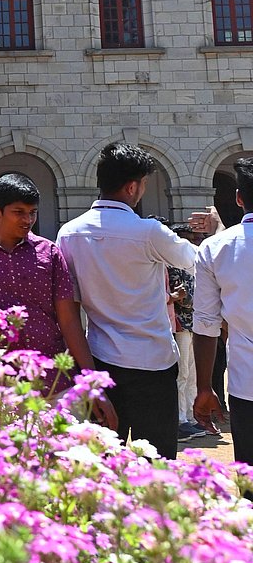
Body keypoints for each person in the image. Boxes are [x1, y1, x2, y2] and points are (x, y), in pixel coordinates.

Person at [56, 143, 204, 460]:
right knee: (156, 463)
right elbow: (194, 260)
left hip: (101, 359)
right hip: (153, 362)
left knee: (103, 461)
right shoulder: (149, 232)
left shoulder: (68, 234)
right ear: (132, 186)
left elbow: (70, 307)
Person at [0, 173, 118, 425]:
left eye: (32, 213)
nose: (27, 220)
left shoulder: (49, 253)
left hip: (55, 384)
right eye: (19, 212)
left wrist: (92, 383)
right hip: (1, 387)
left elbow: (69, 322)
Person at [193, 156, 253, 466]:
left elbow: (205, 324)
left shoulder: (215, 248)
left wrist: (205, 387)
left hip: (246, 385)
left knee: (250, 480)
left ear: (239, 198)